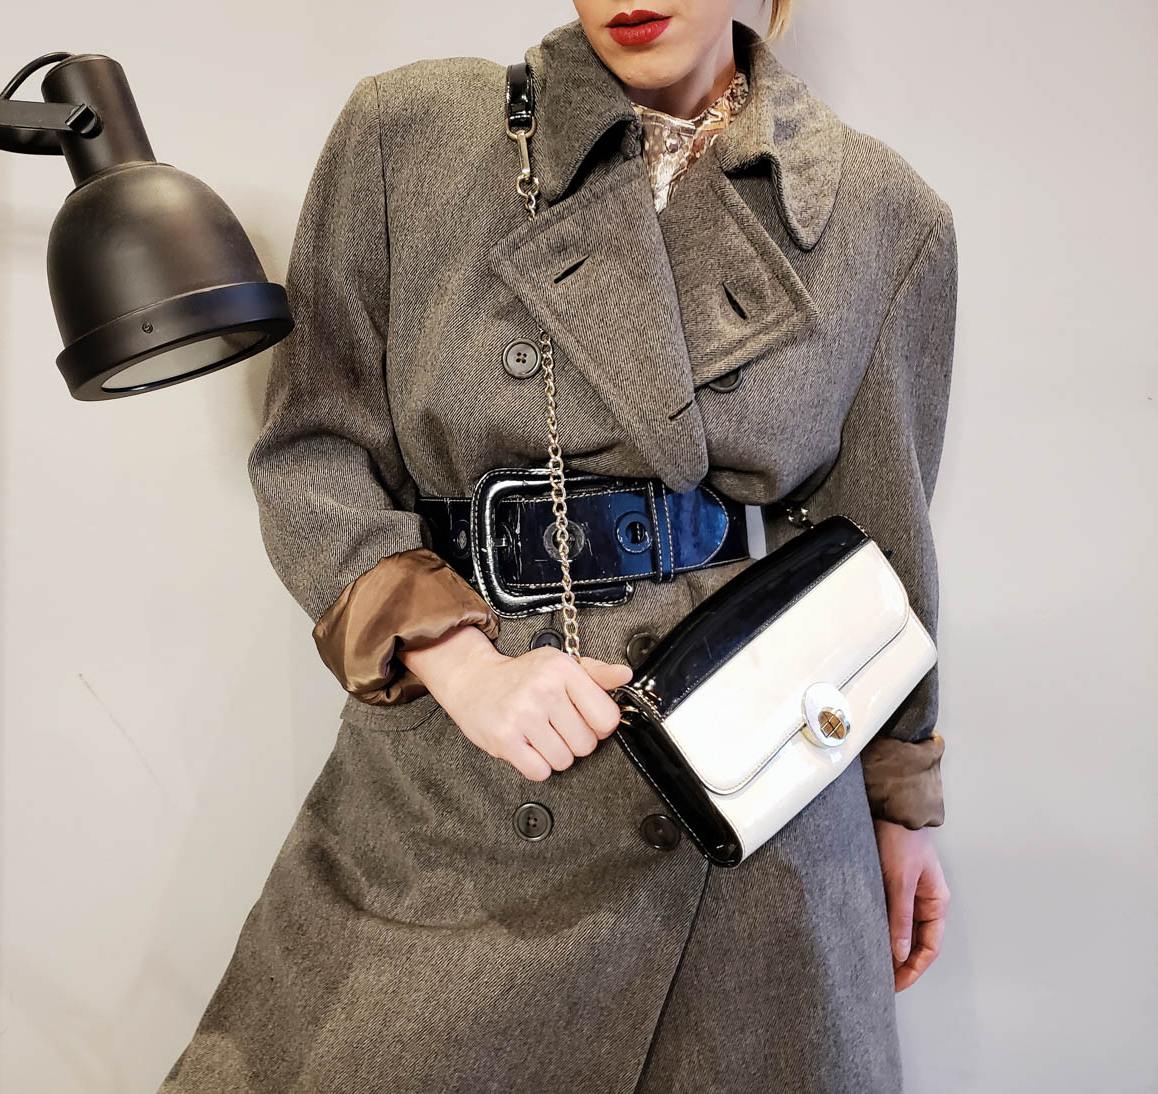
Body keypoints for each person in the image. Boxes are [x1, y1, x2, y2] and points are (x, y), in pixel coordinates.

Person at [160, 1, 956, 1090]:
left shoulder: (880, 214)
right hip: (469, 778)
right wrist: (462, 663)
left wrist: (900, 804)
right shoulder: (415, 134)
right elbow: (314, 454)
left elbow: (880, 547)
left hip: (748, 803)